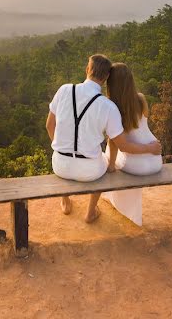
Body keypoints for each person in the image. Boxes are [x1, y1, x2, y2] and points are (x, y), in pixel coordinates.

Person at [46, 54, 162, 223]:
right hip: (89, 171)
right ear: (106, 77)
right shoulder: (108, 106)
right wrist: (150, 149)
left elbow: (49, 125)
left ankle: (65, 199)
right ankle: (91, 211)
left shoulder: (64, 90)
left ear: (87, 69)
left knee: (73, 157)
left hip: (59, 165)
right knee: (104, 159)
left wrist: (60, 149)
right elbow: (122, 144)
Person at [101, 62, 163, 225]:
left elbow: (116, 144)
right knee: (119, 142)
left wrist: (111, 165)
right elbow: (141, 127)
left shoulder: (112, 108)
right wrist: (150, 148)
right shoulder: (141, 99)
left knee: (110, 146)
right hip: (156, 160)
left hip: (137, 165)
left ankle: (116, 201)